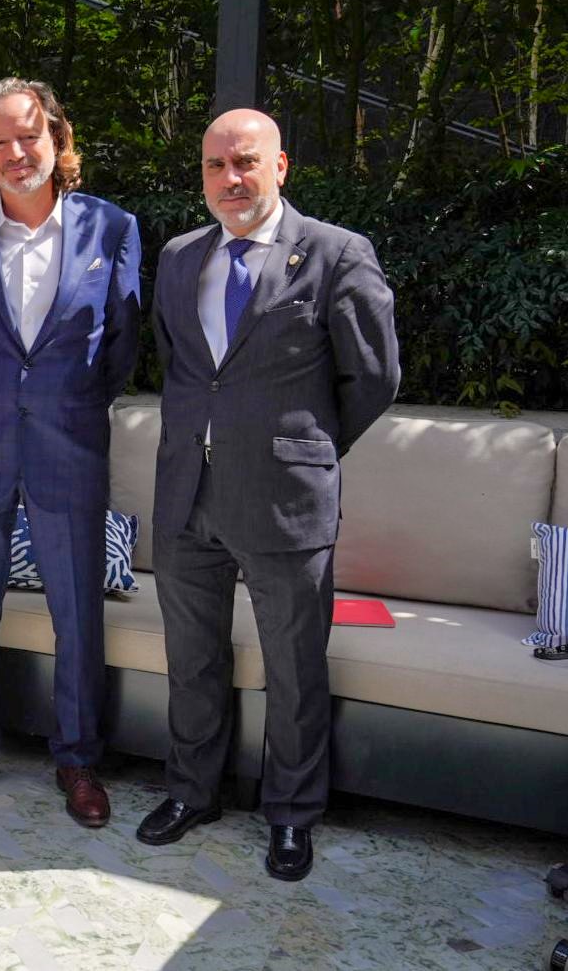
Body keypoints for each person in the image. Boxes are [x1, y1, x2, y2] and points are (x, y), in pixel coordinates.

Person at [137, 108, 399, 881]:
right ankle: (192, 790)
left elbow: (374, 378)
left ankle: (290, 814)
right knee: (190, 659)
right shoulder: (181, 256)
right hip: (186, 493)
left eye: (245, 162)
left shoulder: (335, 254)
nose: (229, 179)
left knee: (292, 666)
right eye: (215, 166)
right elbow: (182, 367)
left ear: (279, 167)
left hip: (285, 497)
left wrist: (305, 448)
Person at [0, 78, 140, 827]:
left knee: (77, 612)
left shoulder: (112, 228)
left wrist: (67, 404)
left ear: (56, 138)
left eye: (29, 136)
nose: (16, 153)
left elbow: (121, 343)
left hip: (68, 447)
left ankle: (78, 759)